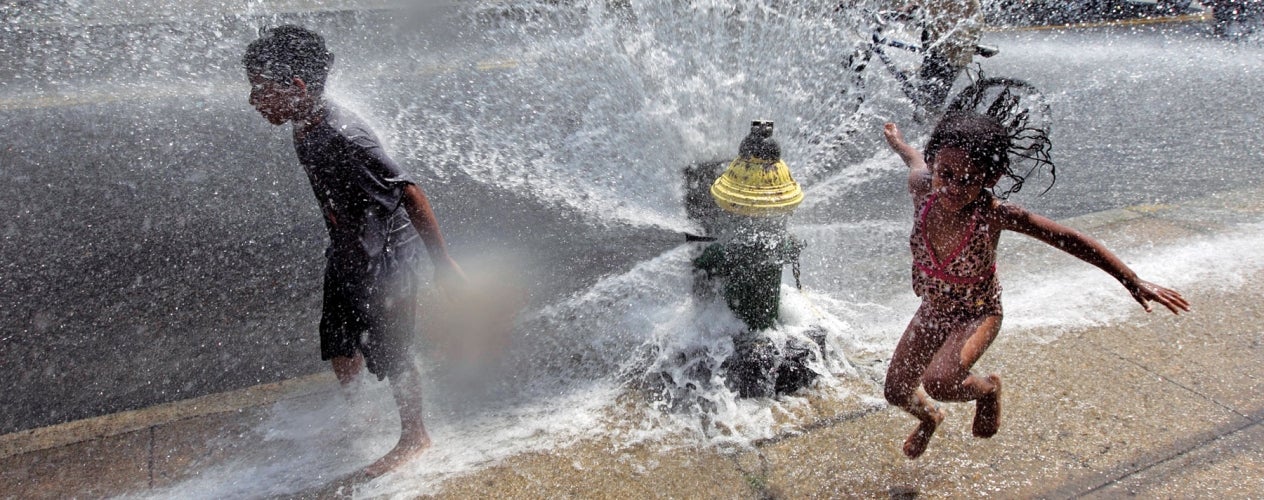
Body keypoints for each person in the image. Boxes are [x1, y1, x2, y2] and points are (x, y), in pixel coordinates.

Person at [880, 111, 1189, 459]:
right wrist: (900, 144)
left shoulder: (995, 214)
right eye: (946, 174)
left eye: (967, 180)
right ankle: (930, 418)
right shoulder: (922, 188)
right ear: (935, 165)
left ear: (990, 177)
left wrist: (1131, 279)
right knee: (896, 390)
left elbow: (1069, 238)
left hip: (977, 313)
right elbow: (915, 158)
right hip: (935, 308)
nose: (952, 187)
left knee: (940, 380)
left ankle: (988, 390)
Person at [242, 25, 466, 477]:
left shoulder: (344, 136)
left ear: (297, 87)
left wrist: (444, 266)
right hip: (348, 250)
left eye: (260, 89)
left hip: (387, 257)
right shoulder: (304, 120)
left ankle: (414, 436)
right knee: (340, 342)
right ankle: (359, 414)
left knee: (393, 352)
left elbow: (411, 193)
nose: (253, 100)